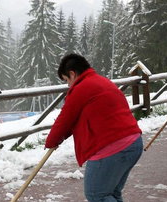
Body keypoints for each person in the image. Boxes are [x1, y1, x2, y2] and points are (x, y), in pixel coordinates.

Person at [45, 53, 143, 201]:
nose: (68, 86)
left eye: (66, 80)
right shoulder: (101, 81)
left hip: (113, 148)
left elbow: (64, 120)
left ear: (72, 74)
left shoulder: (81, 88)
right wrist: (61, 137)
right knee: (112, 193)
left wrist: (51, 141)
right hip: (133, 143)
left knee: (97, 194)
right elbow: (78, 119)